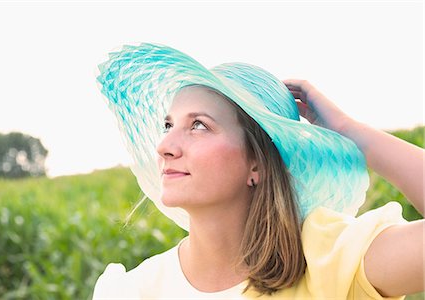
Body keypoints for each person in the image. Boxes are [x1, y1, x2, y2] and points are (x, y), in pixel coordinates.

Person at [93, 43, 424, 299]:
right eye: (168, 125)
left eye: (198, 125)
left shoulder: (330, 260)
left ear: (258, 163)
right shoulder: (133, 291)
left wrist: (351, 131)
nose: (165, 146)